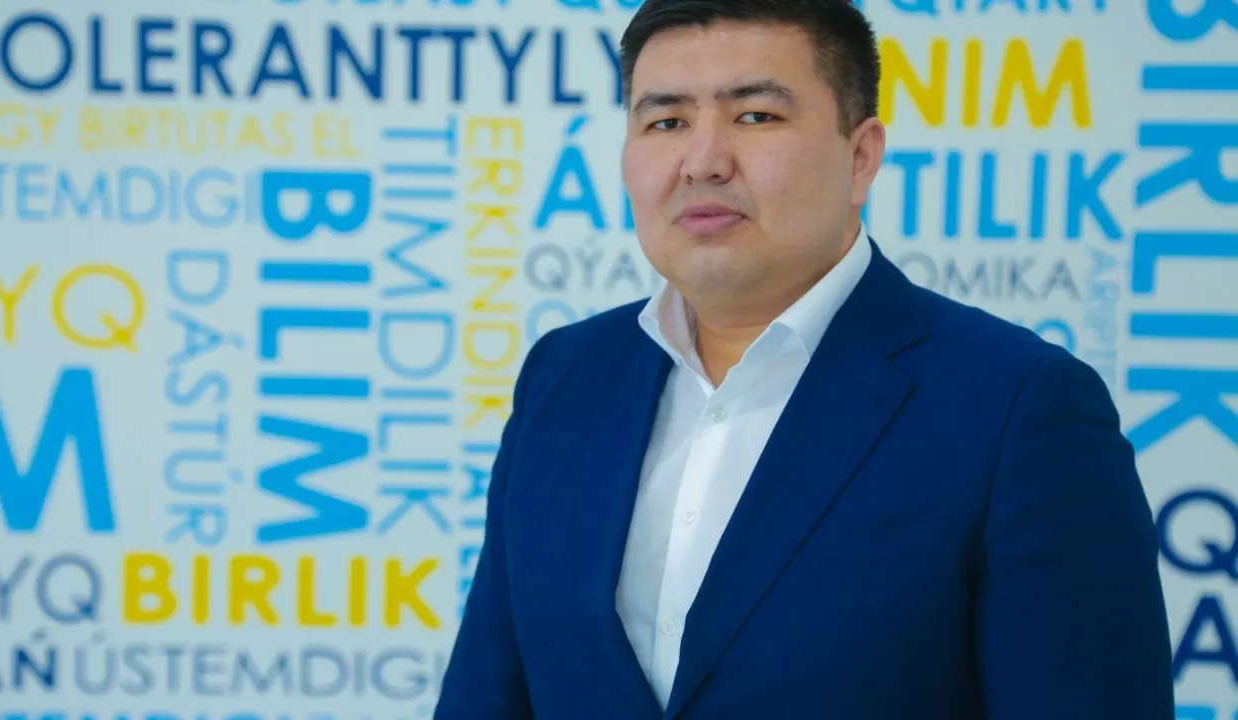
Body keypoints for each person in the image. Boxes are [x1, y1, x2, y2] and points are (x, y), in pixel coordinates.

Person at [433, 1, 1176, 718]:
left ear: (861, 157)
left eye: (756, 116)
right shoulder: (565, 377)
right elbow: (487, 696)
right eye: (666, 121)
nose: (702, 161)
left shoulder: (1018, 409)